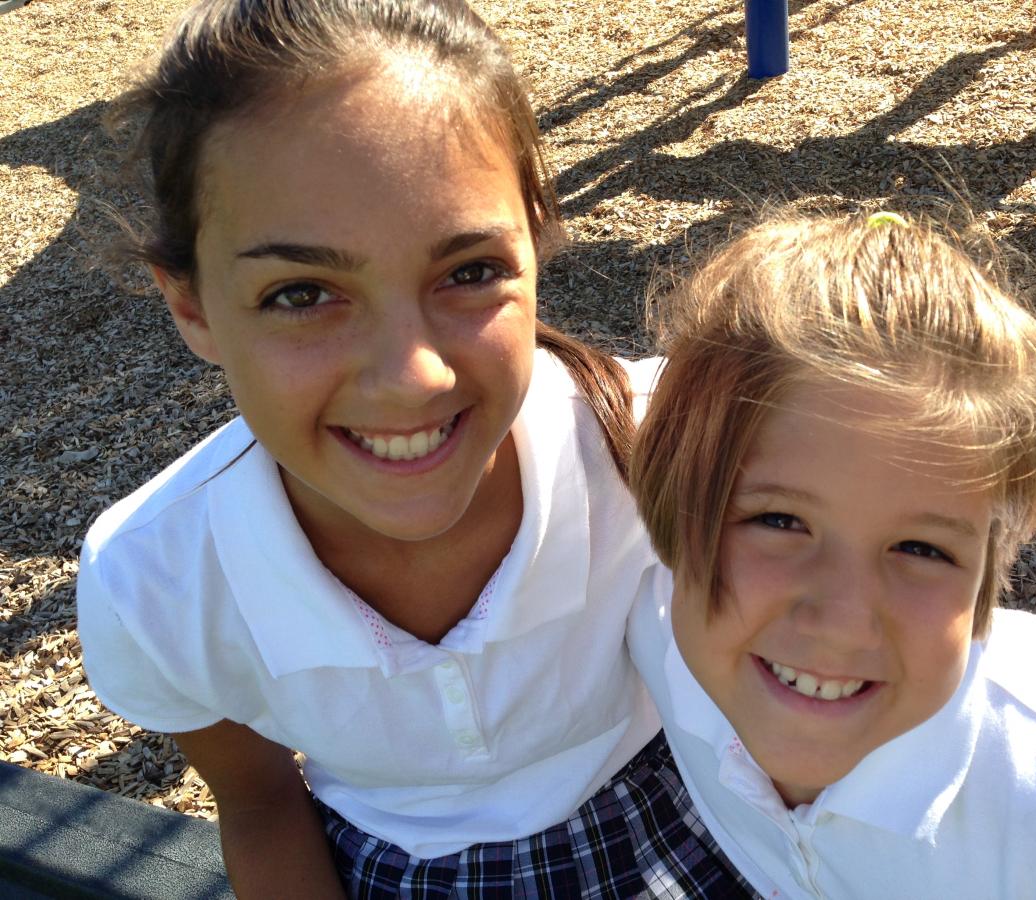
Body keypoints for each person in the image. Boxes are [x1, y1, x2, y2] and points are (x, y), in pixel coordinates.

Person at [76, 1, 752, 896]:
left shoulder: (674, 442)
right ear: (191, 306)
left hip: (701, 821)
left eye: (470, 273)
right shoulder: (155, 580)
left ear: (537, 243)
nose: (413, 378)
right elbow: (259, 801)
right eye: (301, 293)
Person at [627, 212, 1036, 898]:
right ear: (670, 516)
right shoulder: (655, 636)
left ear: (988, 565)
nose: (843, 623)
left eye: (921, 549)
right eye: (779, 521)